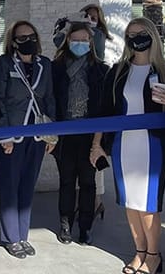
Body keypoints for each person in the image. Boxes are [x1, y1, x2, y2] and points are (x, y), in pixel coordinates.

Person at [90, 17, 165, 274]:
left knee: (148, 203)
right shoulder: (118, 71)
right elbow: (105, 112)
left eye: (141, 33)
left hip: (153, 146)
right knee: (131, 202)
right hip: (122, 146)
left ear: (152, 35)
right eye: (131, 34)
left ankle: (154, 256)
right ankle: (139, 252)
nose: (136, 37)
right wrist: (97, 145)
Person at [0, 20, 56, 259]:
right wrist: (4, 135)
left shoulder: (45, 64)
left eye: (30, 36)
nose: (27, 40)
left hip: (37, 134)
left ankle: (23, 235)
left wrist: (53, 135)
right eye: (21, 37)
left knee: (28, 185)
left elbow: (50, 98)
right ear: (13, 41)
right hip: (12, 135)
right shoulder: (4, 63)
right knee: (10, 186)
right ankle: (11, 238)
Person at [51, 22, 110, 246]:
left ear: (91, 43)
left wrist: (99, 142)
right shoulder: (56, 68)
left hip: (89, 136)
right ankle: (65, 223)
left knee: (88, 182)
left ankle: (85, 227)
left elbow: (105, 107)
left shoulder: (100, 70)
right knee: (66, 181)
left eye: (84, 40)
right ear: (67, 41)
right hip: (65, 135)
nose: (80, 44)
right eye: (75, 40)